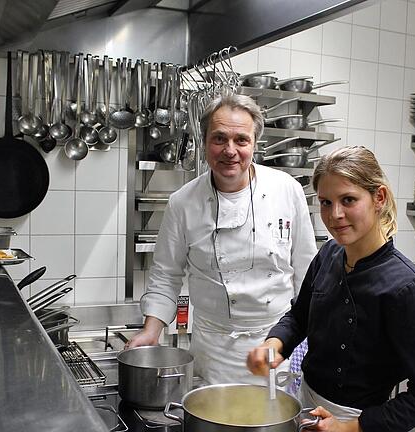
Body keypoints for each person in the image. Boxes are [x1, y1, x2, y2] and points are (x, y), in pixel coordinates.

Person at [247, 147, 415, 432]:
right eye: (326, 202)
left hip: (359, 420)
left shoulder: (409, 288)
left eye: (348, 200)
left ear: (379, 198)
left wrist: (350, 427)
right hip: (306, 404)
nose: (335, 215)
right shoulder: (329, 254)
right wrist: (275, 344)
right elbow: (299, 316)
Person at [127, 91, 317, 386]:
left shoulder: (287, 190)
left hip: (275, 346)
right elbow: (166, 275)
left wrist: (309, 335)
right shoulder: (183, 203)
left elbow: (307, 273)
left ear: (255, 144)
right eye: (219, 139)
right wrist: (152, 330)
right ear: (204, 143)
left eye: (241, 140)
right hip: (213, 349)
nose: (230, 150)